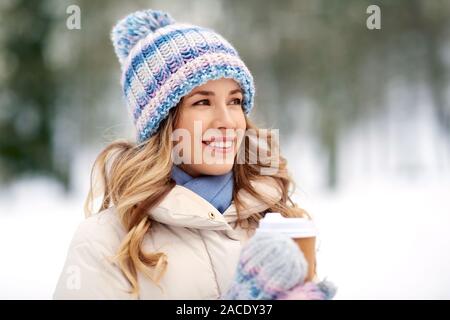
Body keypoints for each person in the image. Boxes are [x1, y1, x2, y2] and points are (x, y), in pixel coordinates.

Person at [53, 8, 314, 300]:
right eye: (202, 102)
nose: (227, 121)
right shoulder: (105, 242)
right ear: (163, 123)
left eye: (235, 101)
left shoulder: (274, 218)